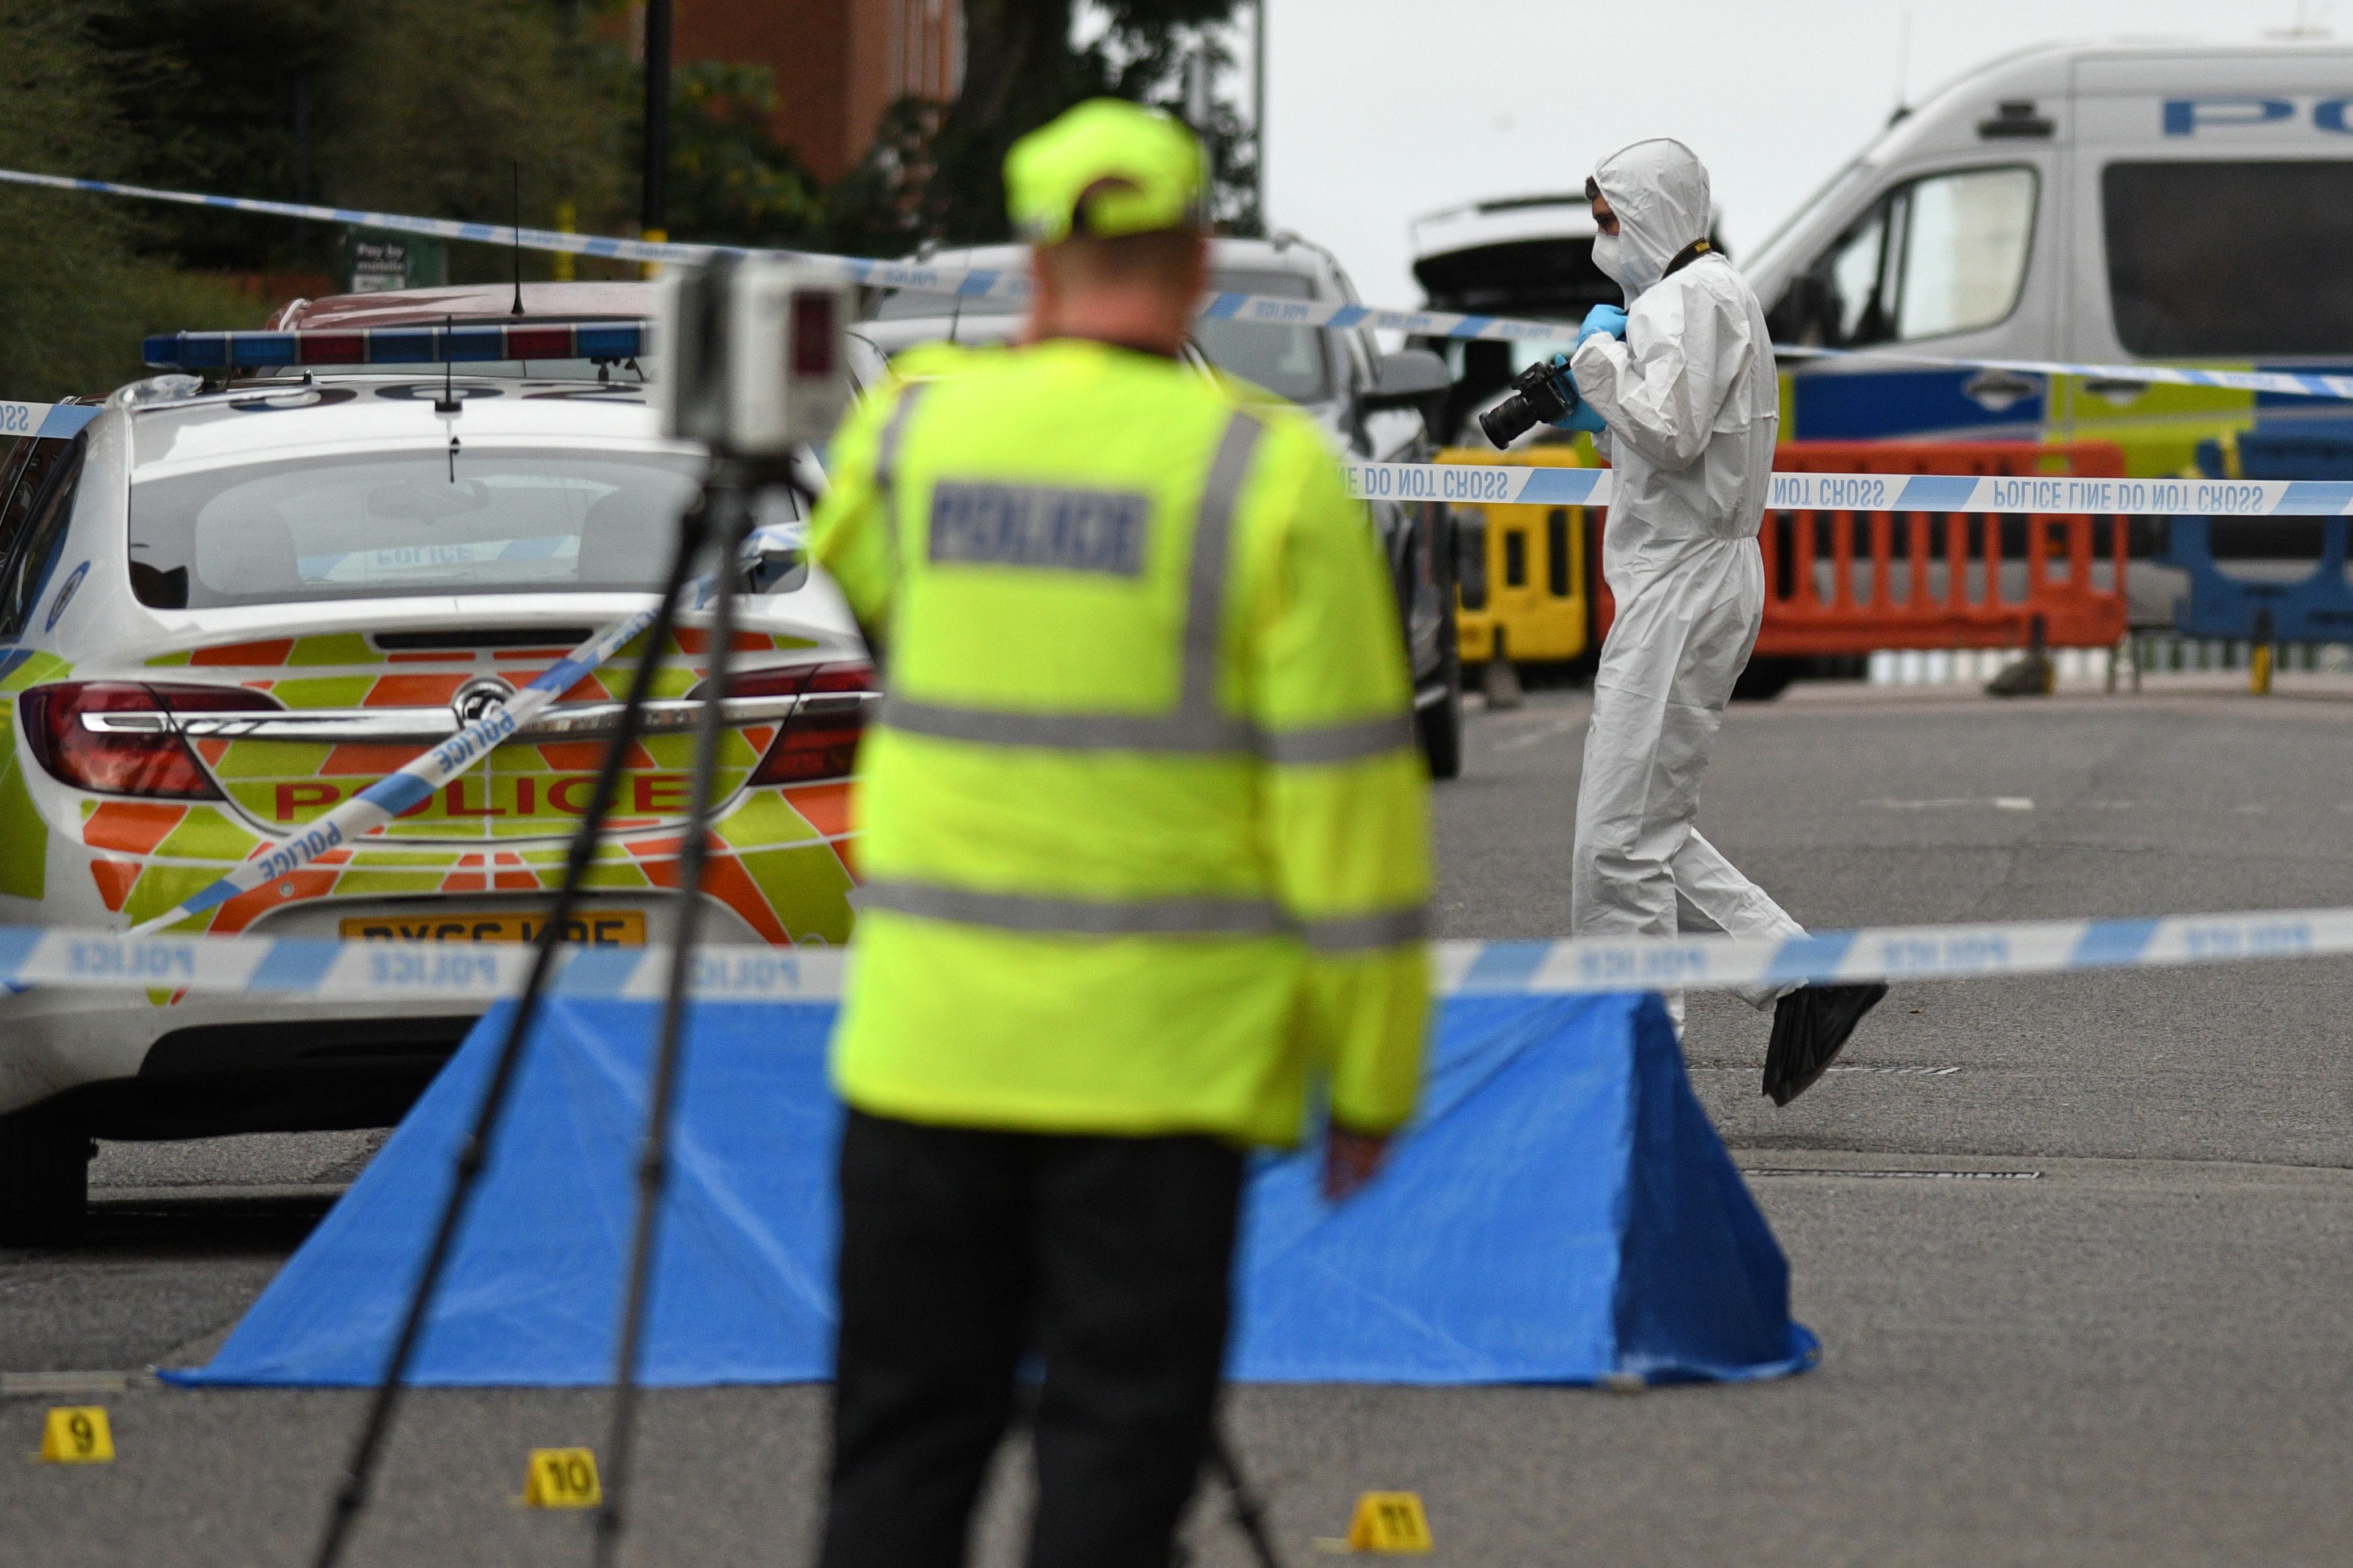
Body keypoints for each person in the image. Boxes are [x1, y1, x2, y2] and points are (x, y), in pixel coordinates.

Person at [806, 99, 1432, 1568]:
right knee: (1114, 1448)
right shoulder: (1264, 475)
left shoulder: (912, 436)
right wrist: (1375, 1068)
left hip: (927, 1055)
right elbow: (1349, 808)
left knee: (899, 1449)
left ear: (1032, 264)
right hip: (1164, 1077)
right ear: (1199, 257)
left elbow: (864, 576)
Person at [1550, 137, 1884, 1105]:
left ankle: (1634, 1065)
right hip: (1697, 575)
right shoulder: (1707, 297)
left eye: (1608, 218)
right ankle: (1799, 977)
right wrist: (1608, 379)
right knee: (1646, 821)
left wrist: (1598, 363)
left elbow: (1670, 427)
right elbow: (1669, 432)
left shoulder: (1685, 301)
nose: (1599, 241)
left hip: (1681, 586)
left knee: (1612, 844)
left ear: (1648, 211)